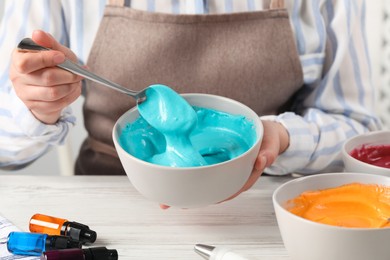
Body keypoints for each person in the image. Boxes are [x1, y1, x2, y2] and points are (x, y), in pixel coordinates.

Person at [0, 0, 383, 200]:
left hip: (266, 209)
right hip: (110, 208)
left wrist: (283, 136)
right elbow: (5, 150)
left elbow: (360, 133)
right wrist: (35, 107)